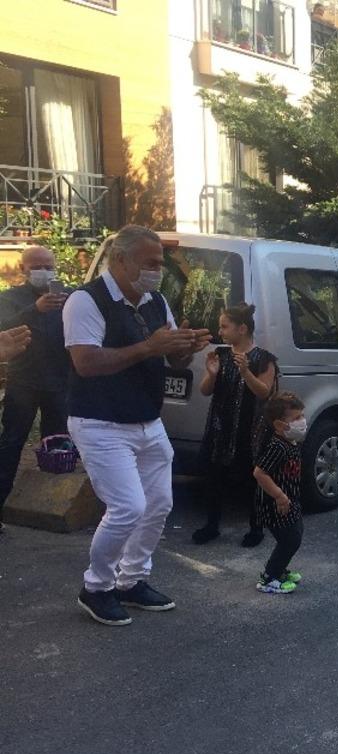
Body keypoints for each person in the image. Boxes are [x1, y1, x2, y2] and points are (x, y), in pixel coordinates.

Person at [63, 224, 211, 626]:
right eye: (150, 263)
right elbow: (86, 362)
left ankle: (132, 580)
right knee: (128, 507)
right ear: (120, 259)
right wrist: (150, 346)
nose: (157, 270)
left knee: (160, 503)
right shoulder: (85, 301)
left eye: (160, 263)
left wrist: (186, 349)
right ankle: (96, 587)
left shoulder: (155, 301)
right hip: (100, 421)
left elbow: (171, 359)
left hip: (147, 420)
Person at [192, 305, 278, 547]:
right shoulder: (220, 354)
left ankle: (256, 528)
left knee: (252, 480)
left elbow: (264, 392)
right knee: (214, 476)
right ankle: (211, 525)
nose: (220, 332)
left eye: (224, 326)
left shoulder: (263, 358)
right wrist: (211, 373)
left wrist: (246, 372)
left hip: (250, 429)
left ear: (242, 329)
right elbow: (205, 390)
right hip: (221, 426)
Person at [0, 246, 71, 532]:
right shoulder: (10, 298)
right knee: (12, 444)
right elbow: (3, 327)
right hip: (24, 383)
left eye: (49, 264)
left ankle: (48, 507)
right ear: (23, 270)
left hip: (59, 382)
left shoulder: (68, 298)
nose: (44, 270)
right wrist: (35, 310)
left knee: (57, 447)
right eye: (37, 266)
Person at [252, 392, 306, 595]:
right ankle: (269, 577)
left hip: (289, 500)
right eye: (296, 418)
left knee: (295, 535)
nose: (302, 421)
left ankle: (279, 569)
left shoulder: (291, 443)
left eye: (302, 416)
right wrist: (279, 496)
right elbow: (259, 472)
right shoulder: (277, 447)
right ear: (279, 425)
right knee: (289, 539)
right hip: (274, 504)